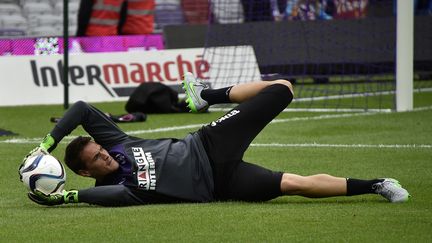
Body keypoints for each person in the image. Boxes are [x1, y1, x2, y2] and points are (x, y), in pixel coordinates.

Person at [19, 72, 410, 206]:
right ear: (86, 174)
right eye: (98, 159)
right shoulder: (117, 188)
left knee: (283, 88)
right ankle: (378, 184)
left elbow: (83, 109)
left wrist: (47, 145)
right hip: (220, 184)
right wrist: (64, 198)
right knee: (294, 184)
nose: (106, 155)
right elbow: (105, 197)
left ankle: (205, 96)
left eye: (101, 148)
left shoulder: (118, 142)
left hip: (208, 143)